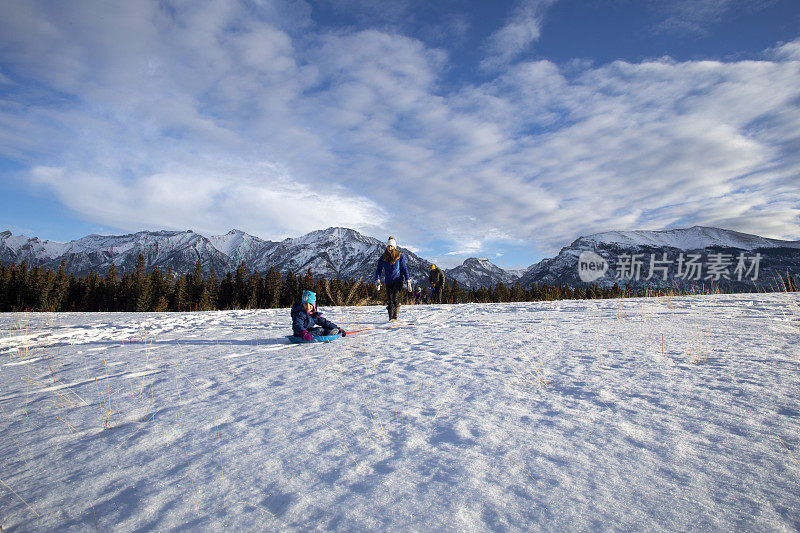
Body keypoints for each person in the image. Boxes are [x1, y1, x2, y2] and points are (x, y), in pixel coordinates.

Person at [374, 236, 411, 321]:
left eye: (391, 246)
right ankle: (391, 318)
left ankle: (395, 317)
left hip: (398, 280)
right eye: (388, 246)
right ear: (386, 247)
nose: (390, 248)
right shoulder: (383, 257)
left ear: (394, 247)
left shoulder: (399, 256)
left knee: (395, 297)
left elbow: (404, 268)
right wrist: (377, 280)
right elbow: (379, 270)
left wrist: (408, 280)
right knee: (390, 300)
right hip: (388, 281)